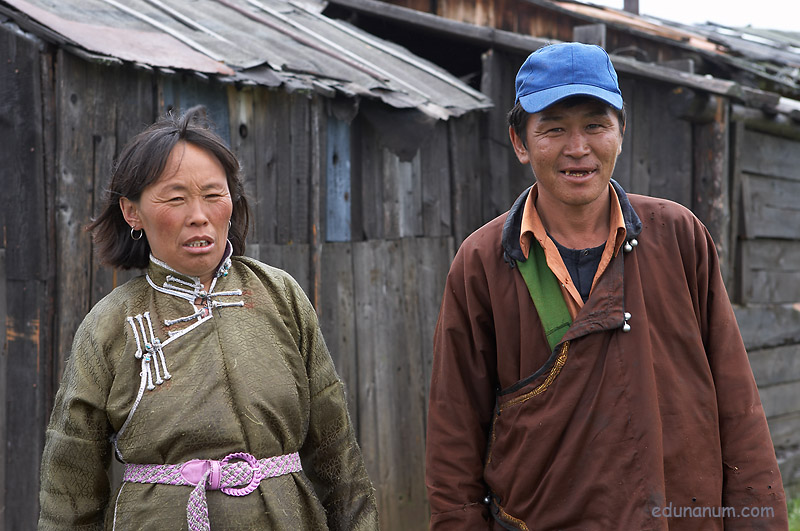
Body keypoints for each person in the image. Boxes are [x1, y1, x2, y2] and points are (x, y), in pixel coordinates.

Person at [425, 42, 788, 529]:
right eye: (553, 129)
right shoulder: (483, 262)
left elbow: (737, 402)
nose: (578, 149)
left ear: (620, 133)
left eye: (595, 125)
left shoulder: (678, 237)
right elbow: (454, 431)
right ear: (519, 141)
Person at [38, 106, 379, 530]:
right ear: (132, 212)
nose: (198, 214)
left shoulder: (280, 297)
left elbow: (336, 453)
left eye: (213, 195)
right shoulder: (109, 325)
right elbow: (69, 484)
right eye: (176, 197)